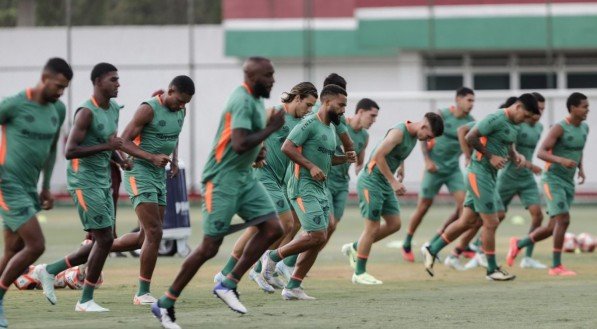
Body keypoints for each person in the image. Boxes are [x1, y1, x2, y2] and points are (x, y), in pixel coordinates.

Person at [152, 57, 285, 328]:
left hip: (244, 178)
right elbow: (237, 144)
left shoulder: (257, 101)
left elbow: (248, 141)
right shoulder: (242, 100)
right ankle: (164, 303)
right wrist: (270, 130)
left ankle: (228, 283)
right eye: (268, 75)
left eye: (273, 74)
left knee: (273, 228)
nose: (273, 79)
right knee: (209, 247)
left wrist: (258, 150)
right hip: (221, 180)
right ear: (251, 76)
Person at [213, 82, 318, 293]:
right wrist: (257, 152)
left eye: (312, 107)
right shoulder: (274, 113)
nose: (308, 110)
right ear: (297, 98)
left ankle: (227, 273)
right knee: (285, 224)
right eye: (307, 105)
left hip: (280, 180)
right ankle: (260, 268)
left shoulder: (302, 122)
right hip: (262, 176)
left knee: (261, 227)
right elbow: (248, 133)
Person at [36, 63, 124, 312]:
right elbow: (70, 150)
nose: (118, 84)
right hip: (83, 182)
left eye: (118, 79)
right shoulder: (86, 112)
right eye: (113, 80)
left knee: (104, 240)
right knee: (104, 238)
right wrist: (109, 149)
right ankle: (85, 300)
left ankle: (50, 270)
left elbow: (110, 142)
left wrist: (120, 159)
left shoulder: (114, 108)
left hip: (103, 179)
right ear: (97, 82)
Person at [423, 94, 540, 281]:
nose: (525, 120)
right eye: (525, 115)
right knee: (491, 222)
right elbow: (470, 136)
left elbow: (507, 142)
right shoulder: (495, 118)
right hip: (479, 174)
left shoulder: (514, 124)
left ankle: (432, 249)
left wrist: (515, 154)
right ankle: (492, 269)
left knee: (467, 221)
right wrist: (491, 156)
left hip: (490, 177)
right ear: (518, 107)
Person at [260, 84, 356, 299]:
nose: (343, 110)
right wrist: (311, 167)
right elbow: (287, 147)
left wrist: (344, 159)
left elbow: (327, 159)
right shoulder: (309, 123)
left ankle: (293, 286)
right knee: (316, 234)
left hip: (320, 188)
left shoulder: (330, 128)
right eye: (341, 105)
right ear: (327, 102)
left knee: (321, 236)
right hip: (302, 186)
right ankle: (274, 257)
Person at [109, 75, 193, 305]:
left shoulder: (181, 111)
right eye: (179, 101)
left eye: (186, 103)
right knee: (155, 232)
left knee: (145, 238)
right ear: (170, 90)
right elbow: (121, 141)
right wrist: (151, 157)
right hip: (139, 173)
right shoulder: (148, 109)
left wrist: (174, 160)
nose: (182, 106)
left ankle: (99, 247)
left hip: (159, 174)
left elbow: (174, 135)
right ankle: (142, 292)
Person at [0, 58, 72, 327]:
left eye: (65, 88)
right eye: (58, 86)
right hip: (7, 183)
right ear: (44, 77)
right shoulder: (15, 104)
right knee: (36, 245)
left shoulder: (58, 110)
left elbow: (53, 149)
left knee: (12, 250)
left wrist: (45, 187)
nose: (60, 92)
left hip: (30, 188)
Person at [343, 113, 444, 284]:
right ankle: (359, 273)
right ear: (424, 126)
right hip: (371, 181)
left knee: (394, 224)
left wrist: (401, 167)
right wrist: (394, 181)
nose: (427, 140)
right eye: (428, 136)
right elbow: (378, 156)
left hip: (384, 182)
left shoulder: (413, 136)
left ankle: (355, 247)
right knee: (372, 227)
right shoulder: (399, 132)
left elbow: (396, 152)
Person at [507, 92, 589, 276]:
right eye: (584, 106)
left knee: (552, 227)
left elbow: (579, 149)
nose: (587, 110)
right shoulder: (559, 128)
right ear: (573, 108)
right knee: (564, 219)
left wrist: (581, 169)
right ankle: (556, 266)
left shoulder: (584, 128)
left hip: (568, 182)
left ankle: (518, 244)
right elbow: (541, 153)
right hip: (553, 180)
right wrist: (561, 160)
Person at [402, 88, 475, 263]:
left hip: (453, 170)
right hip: (433, 169)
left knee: (464, 207)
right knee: (423, 207)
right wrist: (427, 161)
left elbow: (471, 142)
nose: (471, 104)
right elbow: (425, 136)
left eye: (473, 101)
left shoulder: (470, 122)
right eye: (469, 100)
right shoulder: (441, 115)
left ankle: (436, 241)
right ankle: (407, 243)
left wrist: (468, 156)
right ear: (458, 99)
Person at [323, 98, 378, 248]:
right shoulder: (338, 125)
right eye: (372, 116)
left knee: (332, 227)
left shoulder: (364, 137)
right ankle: (290, 261)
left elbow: (359, 164)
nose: (374, 120)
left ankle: (306, 262)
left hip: (342, 184)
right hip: (326, 180)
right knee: (327, 224)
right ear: (360, 112)